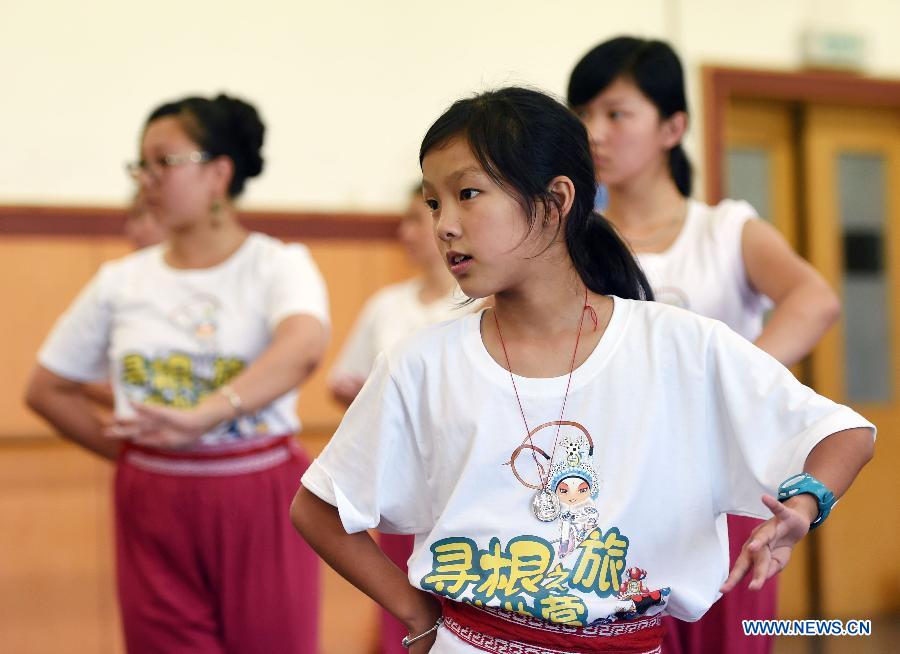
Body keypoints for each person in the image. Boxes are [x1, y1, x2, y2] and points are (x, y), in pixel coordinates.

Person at [290, 87, 874, 654]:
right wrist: (417, 614)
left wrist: (803, 505)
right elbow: (316, 507)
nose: (444, 224)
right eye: (434, 201)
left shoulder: (677, 344)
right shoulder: (420, 362)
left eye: (467, 194)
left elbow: (842, 433)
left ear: (556, 199)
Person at [25, 93, 329, 654]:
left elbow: (303, 346)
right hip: (153, 499)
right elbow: (46, 388)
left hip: (258, 489)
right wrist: (140, 456)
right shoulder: (122, 281)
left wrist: (203, 417)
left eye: (164, 161)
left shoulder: (276, 264)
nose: (146, 178)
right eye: (140, 164)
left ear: (218, 174)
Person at [567, 37, 842, 654]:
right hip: (613, 493)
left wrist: (731, 387)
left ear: (674, 126)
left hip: (719, 490)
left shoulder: (723, 229)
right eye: (581, 115)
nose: (594, 133)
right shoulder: (574, 243)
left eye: (614, 113)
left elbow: (815, 299)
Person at [329, 185, 460, 408]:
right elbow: (344, 380)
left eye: (415, 220)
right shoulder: (385, 303)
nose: (404, 233)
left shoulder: (481, 304)